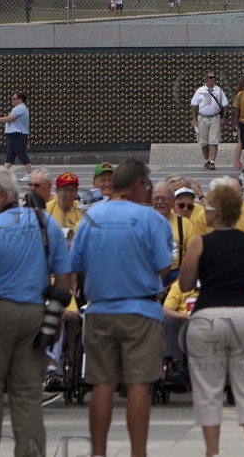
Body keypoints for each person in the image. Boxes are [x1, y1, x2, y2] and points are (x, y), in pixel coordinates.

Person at [69, 159, 173, 457]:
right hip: (140, 310)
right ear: (137, 184)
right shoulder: (150, 218)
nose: (150, 192)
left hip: (100, 310)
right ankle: (138, 453)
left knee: (101, 384)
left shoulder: (90, 217)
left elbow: (75, 265)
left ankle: (98, 452)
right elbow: (163, 266)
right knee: (139, 384)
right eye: (148, 186)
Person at [0, 171, 73, 457]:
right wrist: (55, 317)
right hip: (35, 314)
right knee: (27, 395)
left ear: (2, 195)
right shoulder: (46, 223)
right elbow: (64, 278)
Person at [177, 179, 244, 457]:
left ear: (217, 212)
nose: (205, 212)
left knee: (208, 390)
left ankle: (213, 452)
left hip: (208, 316)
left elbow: (185, 284)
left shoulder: (200, 243)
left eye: (208, 208)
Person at [188, 71, 229, 171]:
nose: (213, 79)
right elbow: (194, 105)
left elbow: (225, 105)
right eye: (210, 77)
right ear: (206, 79)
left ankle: (212, 161)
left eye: (214, 77)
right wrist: (193, 118)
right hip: (202, 118)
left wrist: (224, 117)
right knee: (204, 141)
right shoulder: (200, 90)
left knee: (214, 140)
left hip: (215, 118)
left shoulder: (218, 90)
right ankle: (206, 160)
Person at [0, 91, 33, 184]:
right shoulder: (19, 108)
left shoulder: (19, 108)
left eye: (14, 98)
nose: (12, 100)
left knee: (22, 154)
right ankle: (2, 175)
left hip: (18, 134)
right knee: (10, 156)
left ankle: (29, 175)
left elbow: (9, 118)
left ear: (20, 99)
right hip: (14, 135)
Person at [48, 173, 83, 246]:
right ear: (57, 191)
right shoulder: (47, 210)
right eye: (65, 190)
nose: (69, 194)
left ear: (76, 191)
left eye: (72, 190)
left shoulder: (82, 209)